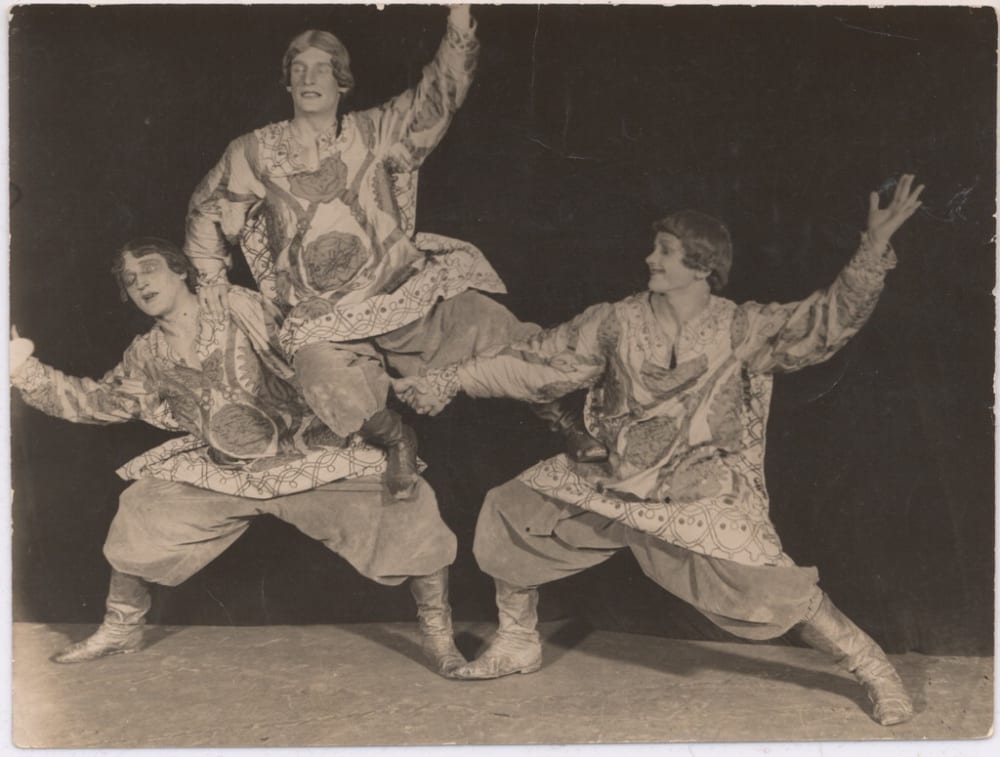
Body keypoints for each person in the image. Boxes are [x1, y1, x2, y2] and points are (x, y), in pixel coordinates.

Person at [393, 175, 925, 724]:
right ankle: (517, 642)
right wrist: (452, 379)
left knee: (767, 585)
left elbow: (823, 324)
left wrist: (873, 247)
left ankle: (873, 667)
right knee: (512, 508)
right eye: (655, 248)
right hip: (616, 472)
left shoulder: (742, 327)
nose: (650, 258)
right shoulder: (615, 321)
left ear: (701, 266)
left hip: (700, 483)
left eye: (666, 252)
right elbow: (538, 364)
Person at [183, 4, 604, 500]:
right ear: (288, 82)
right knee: (323, 381)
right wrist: (210, 276)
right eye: (298, 68)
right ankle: (397, 440)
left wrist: (461, 25)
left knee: (498, 330)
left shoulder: (375, 130)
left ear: (342, 81)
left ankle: (561, 421)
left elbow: (436, 100)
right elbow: (208, 208)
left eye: (321, 68)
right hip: (324, 317)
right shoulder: (252, 151)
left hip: (402, 293)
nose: (308, 77)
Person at [10, 237, 466, 677]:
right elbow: (96, 403)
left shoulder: (236, 306)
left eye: (149, 268)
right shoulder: (145, 355)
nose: (141, 282)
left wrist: (361, 403)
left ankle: (438, 635)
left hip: (308, 454)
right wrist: (23, 370)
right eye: (129, 279)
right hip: (225, 471)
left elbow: (308, 346)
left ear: (181, 271)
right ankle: (120, 629)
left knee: (406, 502)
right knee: (143, 507)